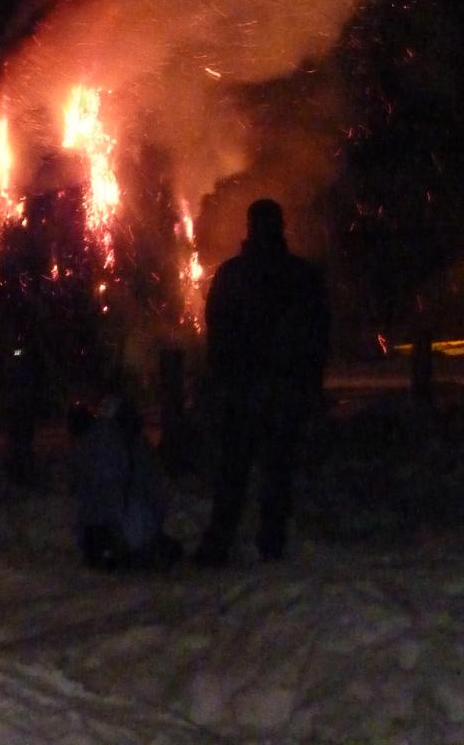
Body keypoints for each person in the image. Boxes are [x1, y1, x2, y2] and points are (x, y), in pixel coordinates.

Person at [194, 198, 330, 565]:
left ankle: (220, 543)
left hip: (246, 391)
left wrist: (223, 378)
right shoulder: (300, 275)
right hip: (281, 391)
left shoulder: (234, 274)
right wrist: (309, 384)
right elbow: (317, 335)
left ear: (250, 228)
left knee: (235, 471)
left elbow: (217, 332)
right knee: (275, 470)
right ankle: (270, 542)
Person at [67, 396, 181, 570]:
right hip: (119, 528)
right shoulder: (122, 445)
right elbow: (147, 491)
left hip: (97, 534)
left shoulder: (90, 444)